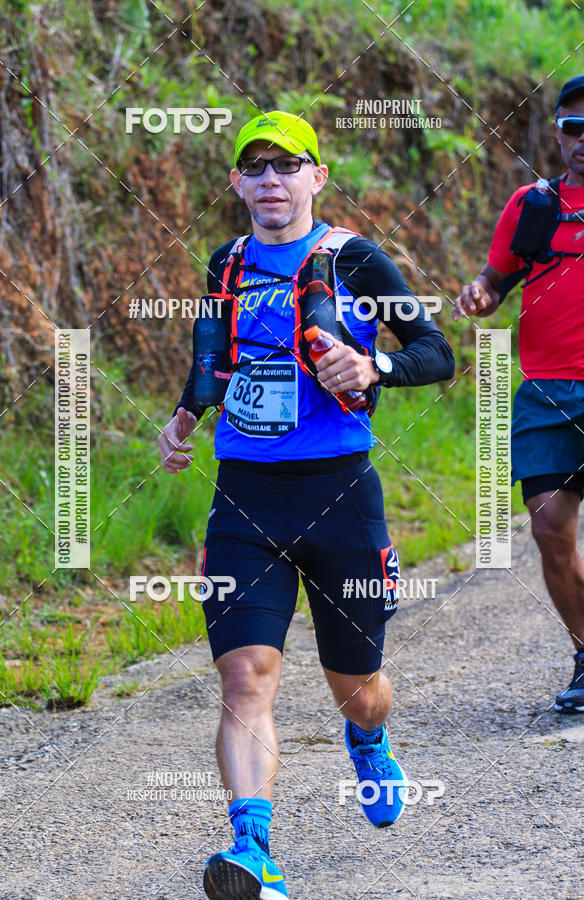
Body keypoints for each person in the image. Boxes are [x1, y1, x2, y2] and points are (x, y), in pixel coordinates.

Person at [159, 110, 455, 900]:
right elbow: (212, 360)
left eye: (287, 166)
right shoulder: (226, 263)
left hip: (340, 494)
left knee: (355, 683)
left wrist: (373, 368)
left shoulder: (353, 259)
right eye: (254, 168)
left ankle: (369, 736)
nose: (270, 182)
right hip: (246, 499)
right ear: (235, 184)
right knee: (247, 675)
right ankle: (252, 848)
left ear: (316, 178)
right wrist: (184, 418)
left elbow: (436, 352)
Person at [453, 75, 584, 714]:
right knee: (550, 526)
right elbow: (493, 280)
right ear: (558, 132)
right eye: (574, 126)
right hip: (546, 392)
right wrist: (480, 295)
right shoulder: (532, 206)